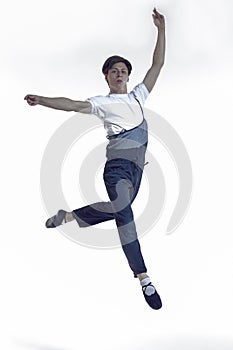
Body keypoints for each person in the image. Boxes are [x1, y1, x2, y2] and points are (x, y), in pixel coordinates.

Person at [24, 7, 166, 310]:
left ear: (128, 76)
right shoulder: (102, 103)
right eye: (113, 71)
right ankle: (143, 277)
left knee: (120, 209)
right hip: (117, 168)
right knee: (125, 216)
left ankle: (70, 216)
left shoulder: (137, 96)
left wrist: (161, 30)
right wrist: (43, 99)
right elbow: (72, 104)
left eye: (123, 71)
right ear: (107, 76)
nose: (119, 74)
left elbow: (158, 64)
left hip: (138, 169)